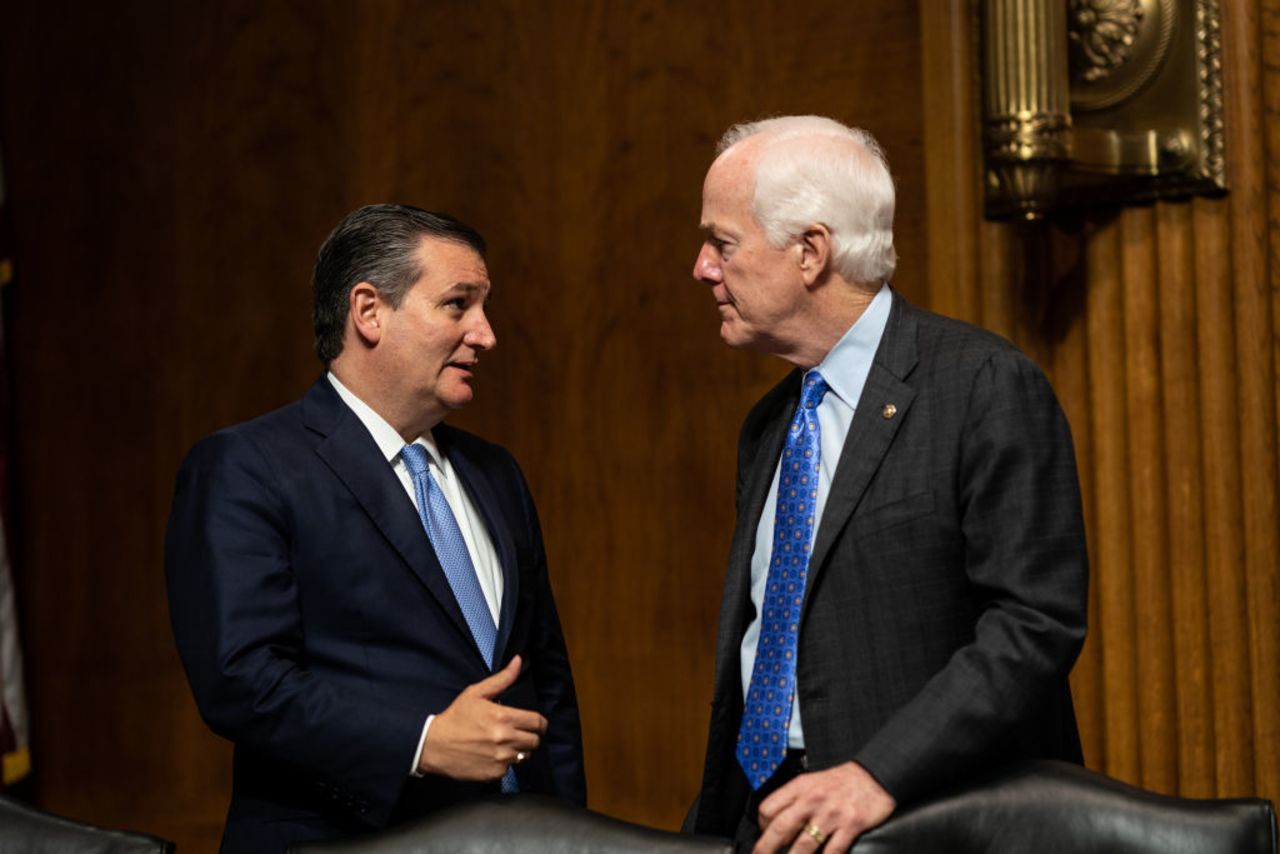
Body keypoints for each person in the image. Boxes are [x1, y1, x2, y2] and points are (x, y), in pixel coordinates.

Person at [685, 116, 1088, 853]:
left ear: (810, 252)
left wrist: (876, 775)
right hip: (770, 820)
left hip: (930, 822)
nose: (702, 268)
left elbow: (1035, 625)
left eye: (723, 243)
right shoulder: (768, 423)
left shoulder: (981, 385)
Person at [165, 204, 586, 853]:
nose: (487, 334)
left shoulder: (496, 473)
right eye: (458, 305)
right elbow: (241, 680)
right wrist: (422, 741)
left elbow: (546, 682)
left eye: (484, 306)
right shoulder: (248, 467)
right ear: (368, 312)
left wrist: (569, 836)